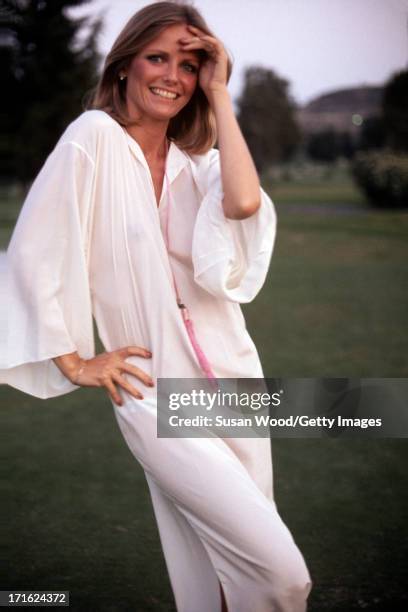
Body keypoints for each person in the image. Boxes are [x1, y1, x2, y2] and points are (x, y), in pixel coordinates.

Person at [0, 2, 312, 610]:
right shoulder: (92, 139)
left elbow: (245, 206)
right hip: (154, 391)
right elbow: (33, 250)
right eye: (158, 57)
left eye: (190, 65)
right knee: (282, 576)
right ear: (124, 66)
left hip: (237, 383)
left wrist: (222, 91)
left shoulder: (202, 168)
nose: (173, 75)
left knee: (220, 572)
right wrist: (75, 360)